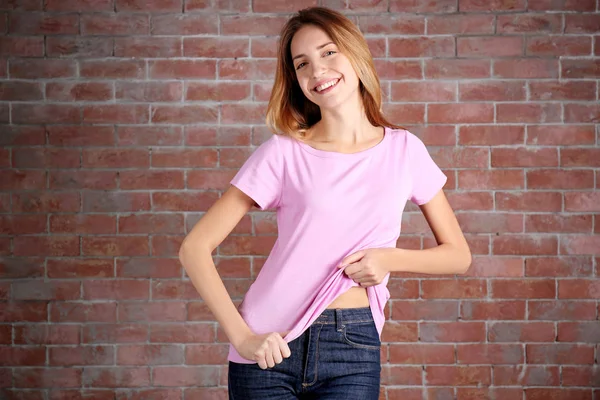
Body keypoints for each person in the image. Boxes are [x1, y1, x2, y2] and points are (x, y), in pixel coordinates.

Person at [178, 6, 472, 400]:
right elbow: (194, 248)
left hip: (352, 345)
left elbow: (458, 255)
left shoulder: (405, 150)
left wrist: (387, 258)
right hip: (270, 346)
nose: (317, 71)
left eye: (328, 52)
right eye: (302, 64)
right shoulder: (284, 152)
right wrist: (243, 338)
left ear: (355, 54)